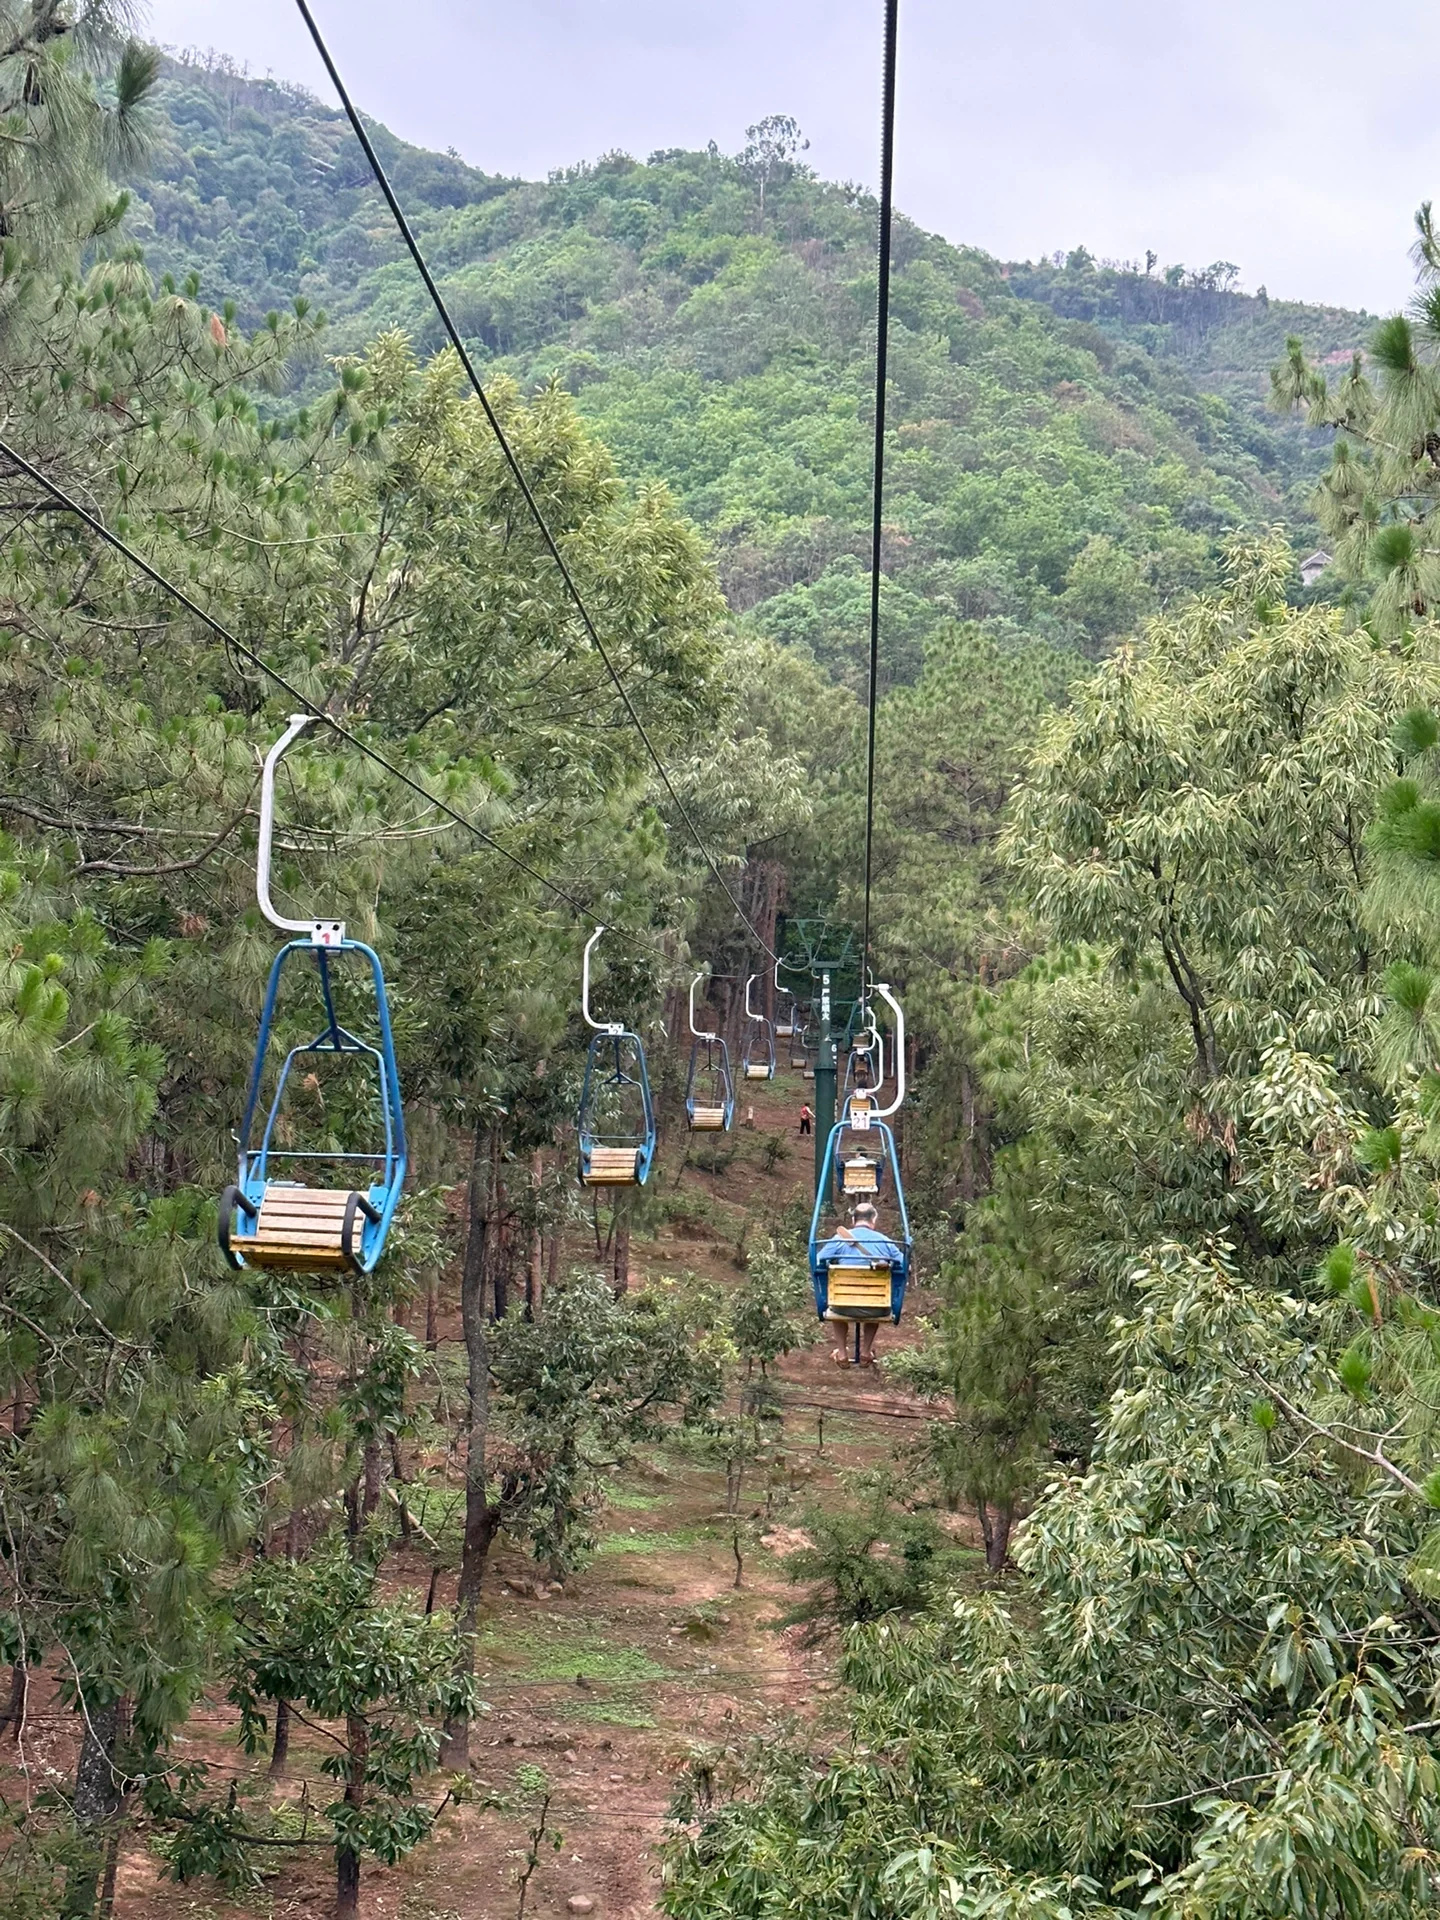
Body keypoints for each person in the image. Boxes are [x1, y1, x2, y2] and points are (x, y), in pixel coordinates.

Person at [815, 1200, 903, 1366]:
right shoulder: (886, 1242)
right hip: (875, 1309)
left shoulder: (839, 1239)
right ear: (873, 1220)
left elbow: (818, 1260)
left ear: (854, 1221)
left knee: (836, 1300)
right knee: (877, 1302)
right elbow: (905, 1265)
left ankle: (841, 1353)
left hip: (842, 1305)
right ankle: (865, 1352)